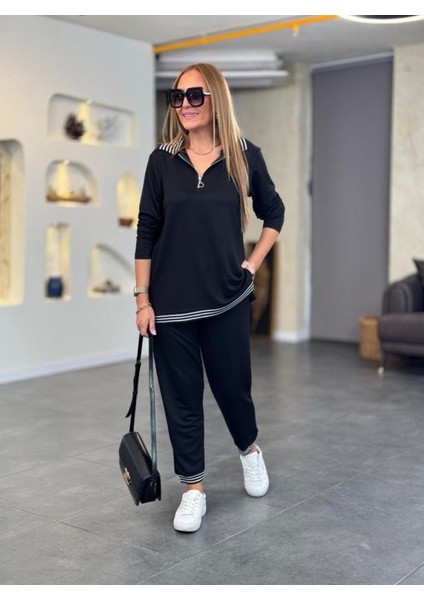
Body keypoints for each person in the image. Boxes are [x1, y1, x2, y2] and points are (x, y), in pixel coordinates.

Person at [134, 63, 285, 533]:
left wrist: (253, 262)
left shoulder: (244, 154)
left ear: (215, 98)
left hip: (226, 299)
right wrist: (142, 299)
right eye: (177, 97)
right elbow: (146, 230)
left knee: (232, 390)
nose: (185, 105)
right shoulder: (162, 160)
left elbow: (274, 212)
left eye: (195, 95)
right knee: (181, 399)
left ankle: (249, 450)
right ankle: (193, 490)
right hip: (170, 305)